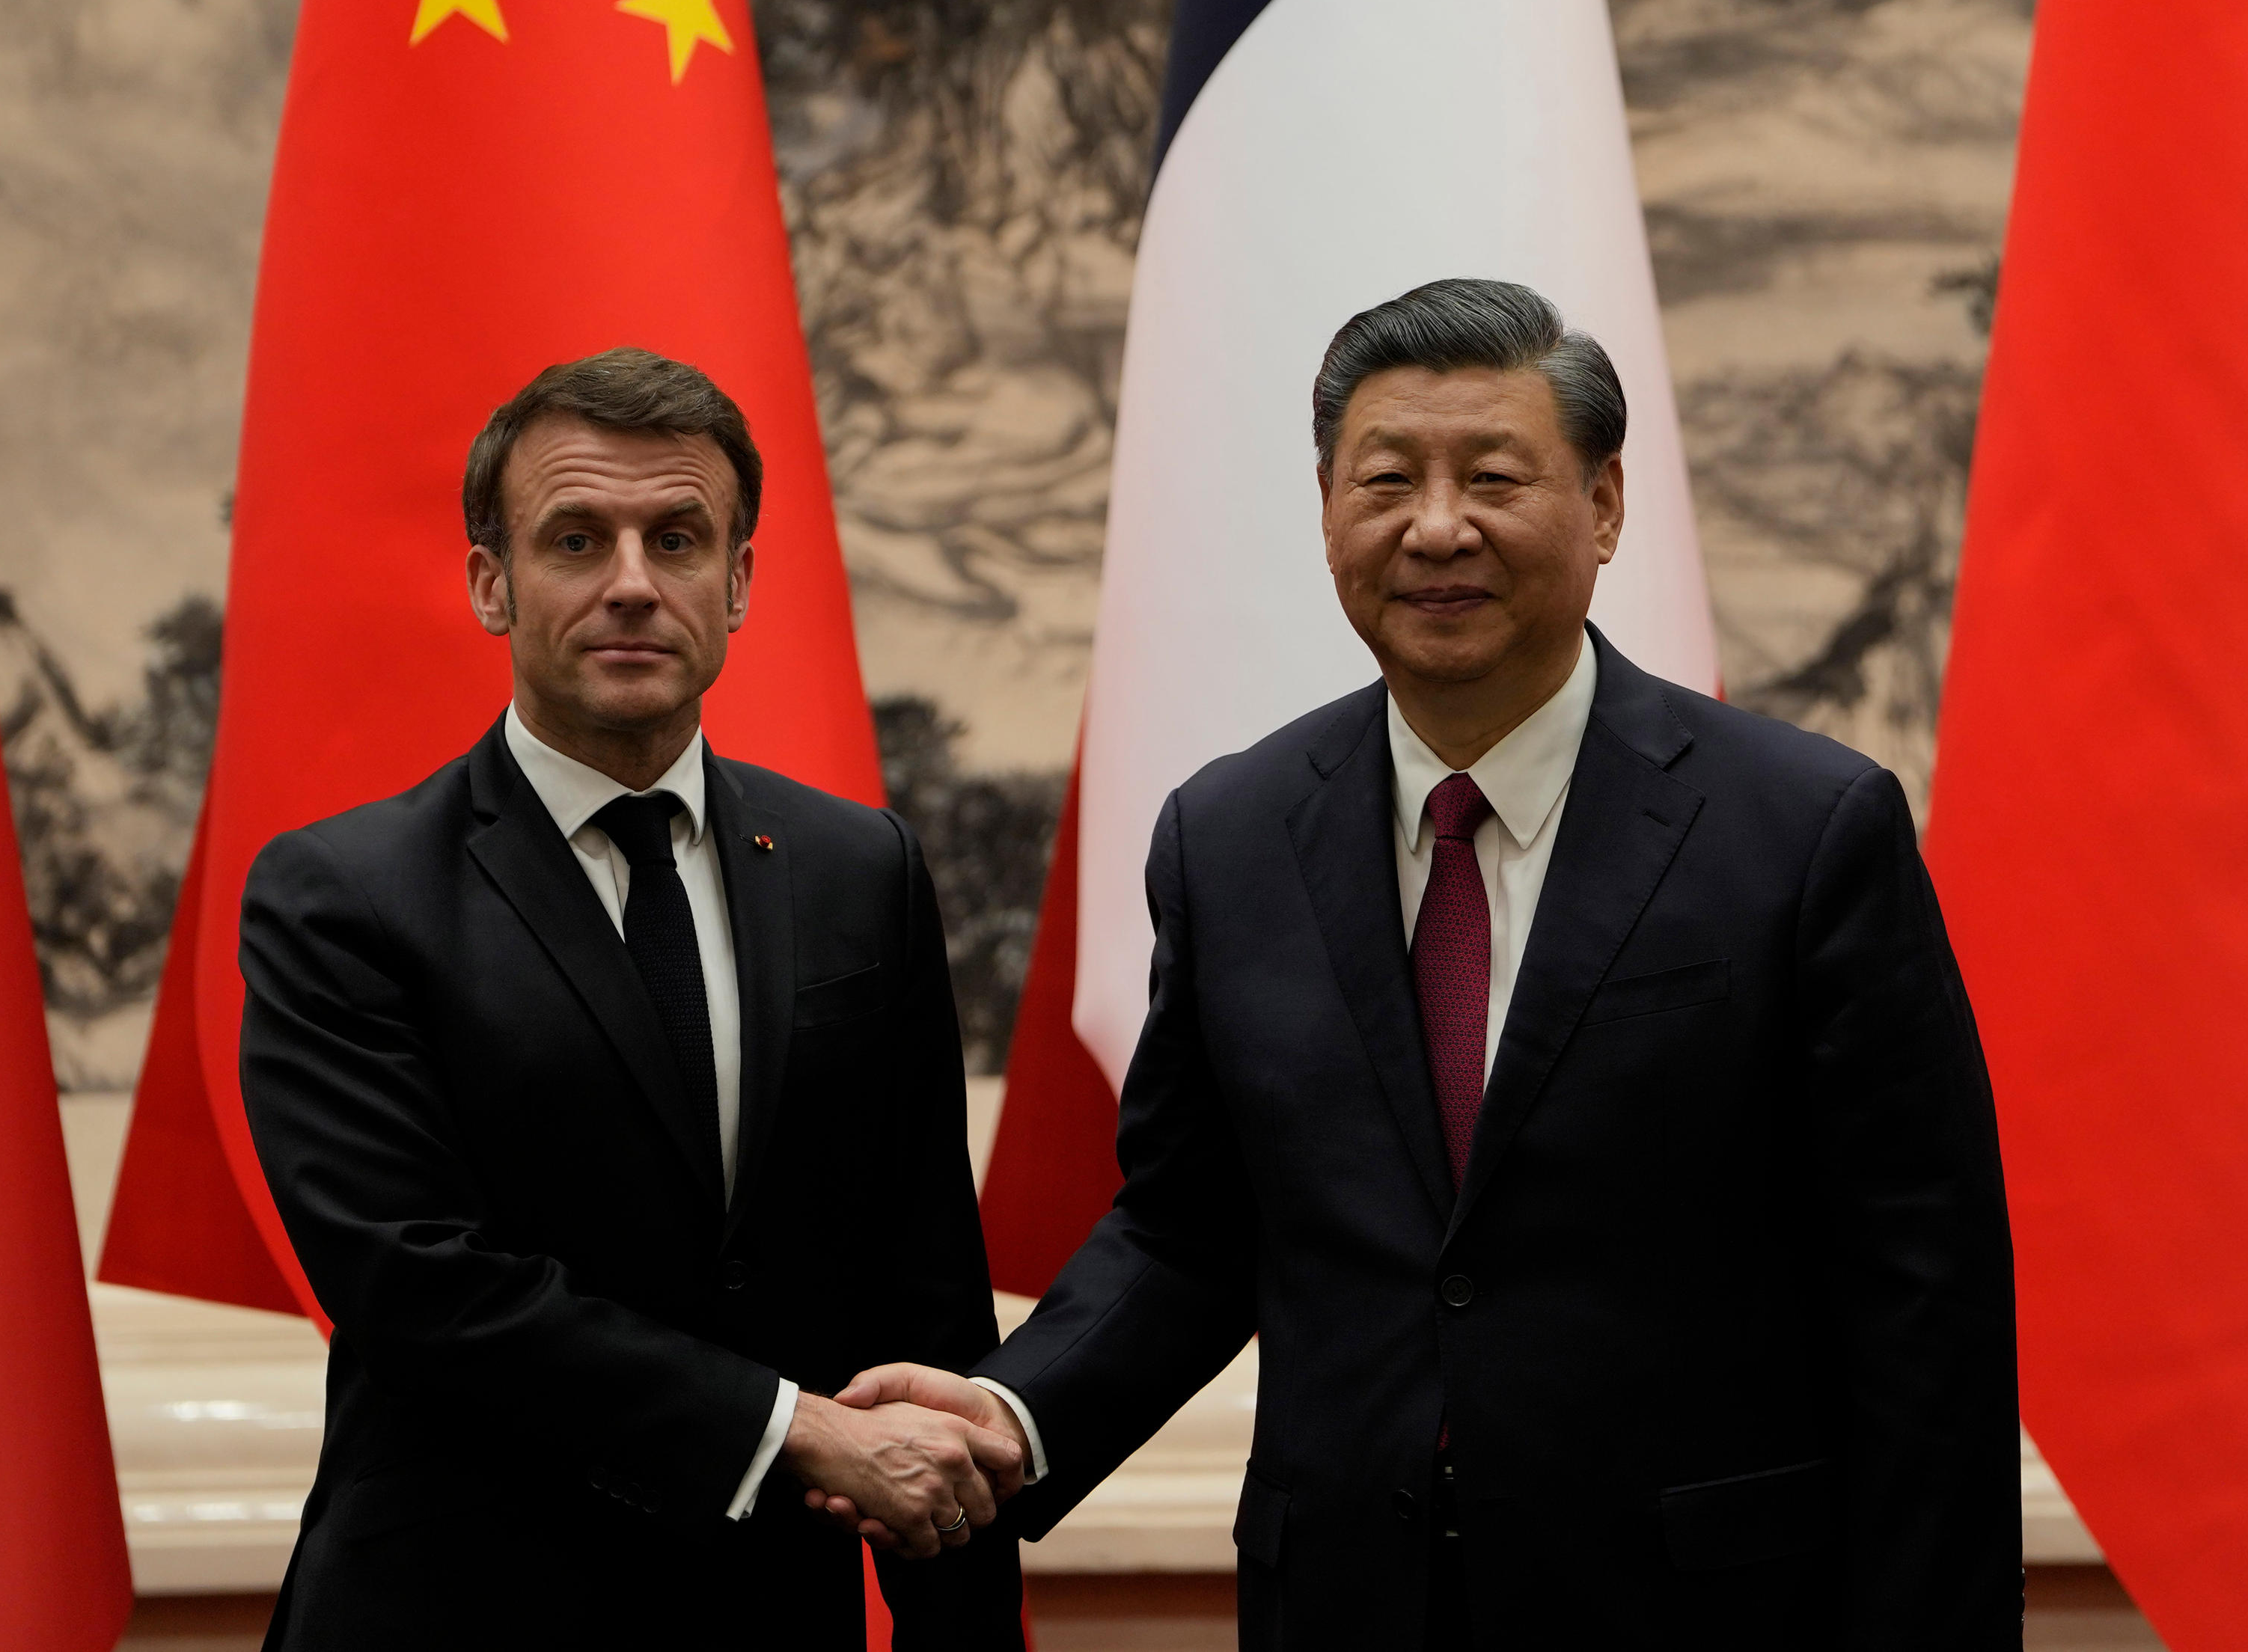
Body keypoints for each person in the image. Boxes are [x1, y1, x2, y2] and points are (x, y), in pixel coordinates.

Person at [833, 279, 2020, 1648]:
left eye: (1495, 476)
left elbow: (1924, 1292)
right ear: (1330, 509)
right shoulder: (1229, 838)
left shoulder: (1803, 829)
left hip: (1706, 1608)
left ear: (1606, 504)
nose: (1437, 526)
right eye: (1387, 478)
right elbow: (1190, 1226)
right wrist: (1019, 1409)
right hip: (1346, 1599)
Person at [238, 349, 1024, 1648]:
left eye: (677, 537)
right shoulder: (343, 896)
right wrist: (793, 1428)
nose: (631, 585)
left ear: (740, 579)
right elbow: (423, 1288)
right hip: (456, 1615)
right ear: (493, 583)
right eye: (574, 539)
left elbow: (926, 1298)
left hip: (770, 1616)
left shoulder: (858, 870)